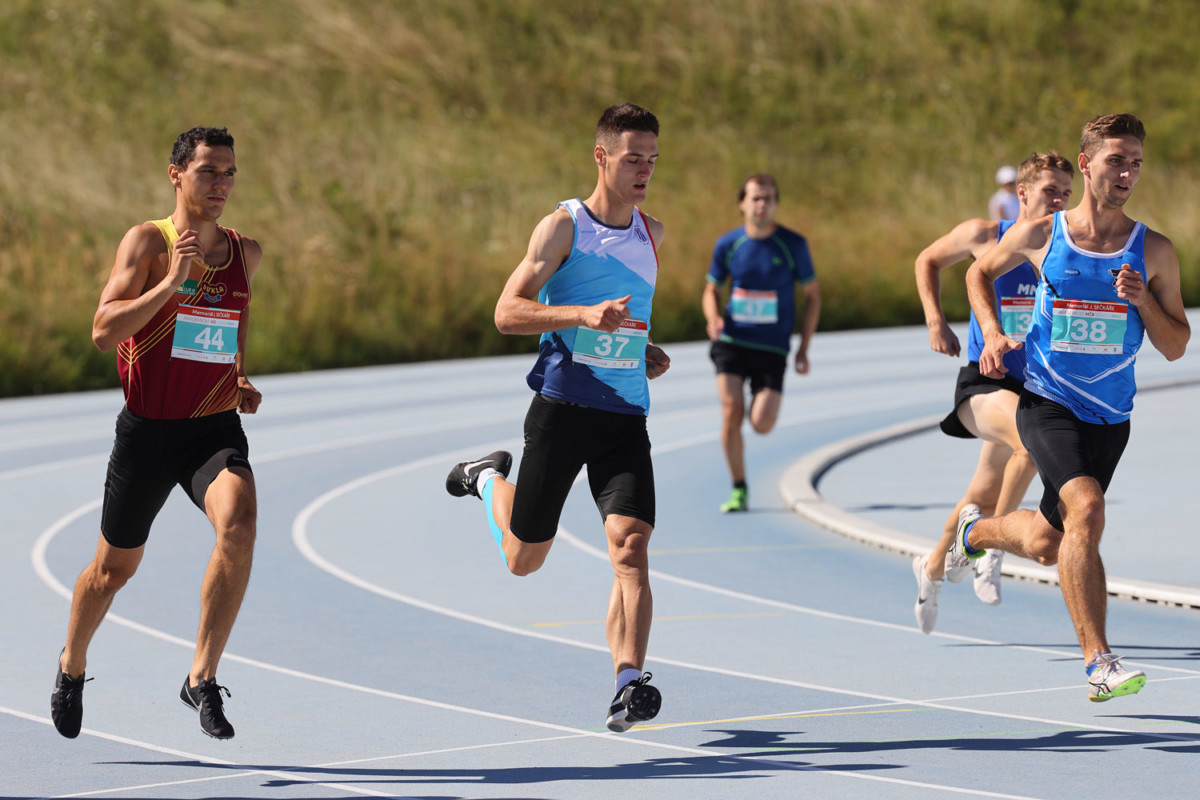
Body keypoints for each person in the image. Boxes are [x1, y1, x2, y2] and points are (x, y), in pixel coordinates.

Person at [445, 103, 670, 733]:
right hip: (562, 412)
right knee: (523, 559)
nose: (644, 171)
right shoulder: (563, 227)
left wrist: (640, 349)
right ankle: (487, 478)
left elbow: (624, 319)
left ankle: (628, 683)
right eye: (633, 159)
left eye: (652, 160)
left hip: (624, 416)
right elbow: (507, 312)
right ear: (601, 156)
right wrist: (579, 315)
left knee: (630, 547)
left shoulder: (653, 233)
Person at [954, 113, 1189, 701]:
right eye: (1116, 160)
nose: (1127, 173)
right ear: (1086, 164)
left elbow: (1176, 346)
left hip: (1110, 416)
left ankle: (974, 531)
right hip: (1046, 400)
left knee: (1045, 542)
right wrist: (992, 332)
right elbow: (979, 275)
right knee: (1087, 508)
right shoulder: (1042, 234)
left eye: (1136, 163)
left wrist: (1142, 302)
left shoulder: (1154, 250)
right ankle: (1099, 663)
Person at [51, 127, 263, 740]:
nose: (221, 183)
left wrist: (238, 376)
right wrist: (170, 282)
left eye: (229, 172)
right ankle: (71, 664)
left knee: (240, 523)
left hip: (211, 431)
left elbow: (232, 325)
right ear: (176, 174)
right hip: (147, 434)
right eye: (208, 171)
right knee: (111, 572)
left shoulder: (246, 253)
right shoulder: (149, 242)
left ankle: (201, 677)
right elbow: (102, 332)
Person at [912, 152, 1074, 633]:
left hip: (1033, 385)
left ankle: (931, 570)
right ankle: (991, 551)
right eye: (1050, 191)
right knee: (1030, 445)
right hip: (985, 382)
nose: (1059, 200)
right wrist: (935, 321)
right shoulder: (985, 235)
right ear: (1021, 193)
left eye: (1067, 193)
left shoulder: (1065, 246)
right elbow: (927, 260)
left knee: (979, 495)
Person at [701, 174, 820, 513]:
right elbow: (711, 289)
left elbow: (813, 296)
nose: (762, 205)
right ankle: (739, 487)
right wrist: (713, 317)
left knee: (762, 424)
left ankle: (760, 409)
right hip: (732, 341)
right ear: (742, 203)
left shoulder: (792, 244)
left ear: (776, 204)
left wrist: (804, 347)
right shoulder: (729, 244)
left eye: (768, 198)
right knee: (731, 411)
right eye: (755, 198)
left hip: (772, 348)